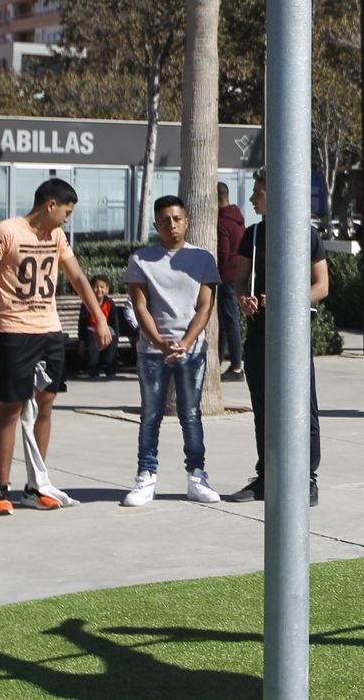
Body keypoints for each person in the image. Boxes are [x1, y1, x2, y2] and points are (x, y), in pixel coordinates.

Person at [0, 178, 113, 516]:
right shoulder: (5, 231)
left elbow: (78, 277)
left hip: (49, 331)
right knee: (10, 408)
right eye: (67, 211)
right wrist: (3, 313)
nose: (68, 219)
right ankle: (0, 490)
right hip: (12, 333)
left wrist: (100, 318)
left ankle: (35, 486)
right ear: (50, 205)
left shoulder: (58, 237)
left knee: (46, 404)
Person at [229, 168, 329, 506]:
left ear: (276, 195)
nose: (253, 198)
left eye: (258, 191)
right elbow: (239, 280)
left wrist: (289, 298)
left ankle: (307, 477)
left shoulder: (306, 235)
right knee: (263, 408)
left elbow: (322, 286)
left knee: (304, 408)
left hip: (294, 336)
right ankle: (267, 476)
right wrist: (244, 298)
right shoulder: (253, 235)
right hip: (259, 332)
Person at [120, 195, 223, 507]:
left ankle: (197, 475)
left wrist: (188, 341)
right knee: (150, 415)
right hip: (152, 352)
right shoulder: (141, 260)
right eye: (165, 220)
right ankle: (145, 476)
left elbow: (206, 307)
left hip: (191, 352)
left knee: (191, 415)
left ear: (187, 221)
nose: (172, 224)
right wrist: (160, 341)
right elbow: (140, 306)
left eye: (177, 218)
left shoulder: (203, 259)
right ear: (156, 224)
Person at [216, 182, 247, 382]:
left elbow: (223, 253)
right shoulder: (238, 219)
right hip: (238, 274)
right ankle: (218, 360)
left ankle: (236, 366)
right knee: (227, 321)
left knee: (229, 320)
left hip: (226, 277)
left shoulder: (222, 223)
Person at [81, 275, 119, 379]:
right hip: (91, 328)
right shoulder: (86, 303)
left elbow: (114, 322)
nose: (99, 290)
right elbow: (82, 324)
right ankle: (93, 367)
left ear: (107, 289)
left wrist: (116, 336)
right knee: (92, 338)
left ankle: (108, 365)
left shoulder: (110, 303)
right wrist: (82, 341)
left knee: (112, 335)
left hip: (106, 329)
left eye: (102, 287)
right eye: (96, 287)